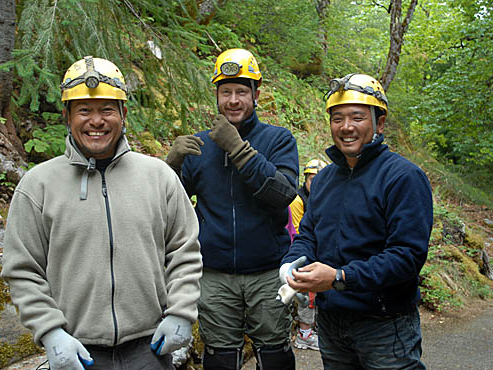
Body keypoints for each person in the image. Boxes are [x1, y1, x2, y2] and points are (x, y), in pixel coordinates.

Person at [1, 56, 203, 370]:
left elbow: (184, 251)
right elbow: (22, 270)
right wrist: (51, 332)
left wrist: (181, 312)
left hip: (149, 350)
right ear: (67, 116)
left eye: (107, 109)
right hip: (77, 353)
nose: (97, 121)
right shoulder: (37, 186)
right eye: (84, 110)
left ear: (123, 114)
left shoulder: (159, 178)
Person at [280, 73, 433, 369]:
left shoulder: (403, 178)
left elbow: (407, 256)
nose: (346, 127)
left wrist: (340, 278)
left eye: (357, 117)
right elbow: (308, 235)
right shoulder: (323, 180)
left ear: (380, 122)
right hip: (332, 323)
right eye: (337, 118)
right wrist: (292, 262)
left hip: (385, 325)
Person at [166, 48, 299, 370]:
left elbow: (282, 194)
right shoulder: (200, 145)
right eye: (226, 92)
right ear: (217, 95)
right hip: (214, 272)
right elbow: (169, 208)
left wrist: (239, 150)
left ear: (256, 94)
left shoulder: (278, 139)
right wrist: (170, 167)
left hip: (267, 270)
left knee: (275, 351)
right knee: (220, 354)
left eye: (242, 91)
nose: (234, 100)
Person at [288, 159, 326, 351]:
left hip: (321, 251)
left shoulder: (325, 196)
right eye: (312, 179)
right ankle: (305, 334)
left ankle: (315, 328)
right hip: (303, 251)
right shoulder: (298, 199)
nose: (316, 184)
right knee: (308, 293)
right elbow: (297, 231)